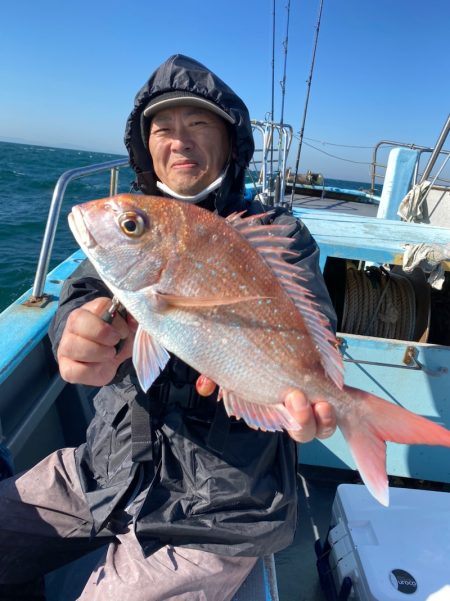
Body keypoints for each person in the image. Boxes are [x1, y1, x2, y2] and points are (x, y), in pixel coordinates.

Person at [0, 54, 337, 601]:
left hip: (221, 510)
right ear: (145, 147)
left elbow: (307, 323)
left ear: (232, 143)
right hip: (104, 469)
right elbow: (83, 292)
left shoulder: (278, 233)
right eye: (163, 128)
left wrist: (308, 403)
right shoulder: (139, 232)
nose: (179, 141)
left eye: (199, 124)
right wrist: (74, 335)